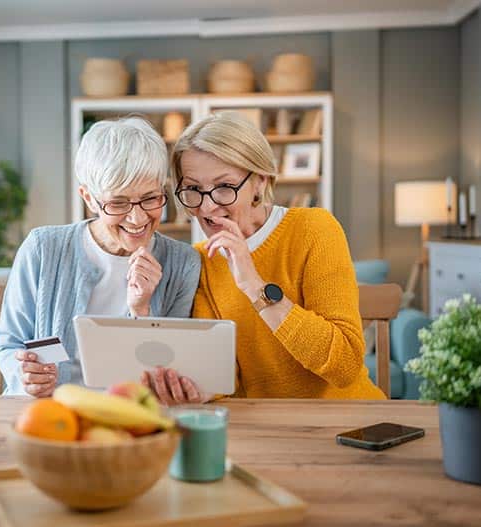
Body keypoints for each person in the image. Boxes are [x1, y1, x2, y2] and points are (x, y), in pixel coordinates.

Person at [142, 111, 385, 404]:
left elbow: (344, 366)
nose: (207, 207)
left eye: (223, 187)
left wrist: (255, 287)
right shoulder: (201, 261)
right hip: (265, 424)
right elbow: (226, 374)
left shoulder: (314, 230)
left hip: (347, 421)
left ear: (260, 180)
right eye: (193, 189)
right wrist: (197, 387)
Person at [0, 117, 201, 396]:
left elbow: (169, 376)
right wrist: (25, 374)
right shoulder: (43, 248)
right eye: (118, 202)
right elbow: (10, 344)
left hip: (132, 418)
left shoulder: (182, 263)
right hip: (50, 414)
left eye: (150, 198)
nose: (137, 218)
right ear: (89, 198)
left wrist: (142, 311)